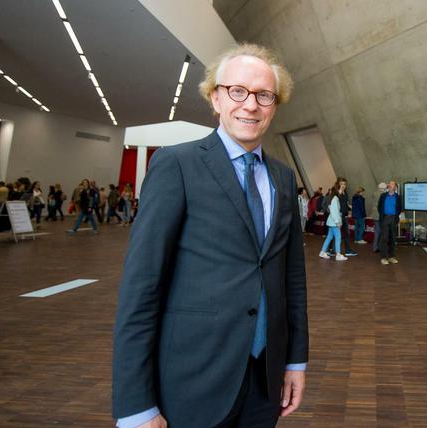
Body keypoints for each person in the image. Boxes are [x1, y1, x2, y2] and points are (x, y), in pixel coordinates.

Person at [113, 43, 308, 428]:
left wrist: (295, 361)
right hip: (191, 380)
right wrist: (136, 404)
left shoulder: (283, 178)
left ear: (274, 105)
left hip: (263, 382)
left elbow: (292, 280)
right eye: (237, 91)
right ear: (215, 98)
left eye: (264, 95)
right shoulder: (176, 164)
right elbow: (142, 287)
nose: (250, 105)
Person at [318, 181, 347, 261]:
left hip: (331, 221)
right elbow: (334, 211)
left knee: (329, 237)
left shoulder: (333, 198)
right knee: (338, 237)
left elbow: (332, 210)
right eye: (340, 189)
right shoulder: (335, 198)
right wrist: (338, 222)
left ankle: (322, 252)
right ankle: (338, 254)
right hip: (334, 222)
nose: (342, 190)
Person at [377, 180, 402, 265]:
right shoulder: (383, 196)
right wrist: (383, 216)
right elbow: (379, 207)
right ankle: (384, 257)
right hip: (385, 218)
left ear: (395, 187)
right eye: (389, 184)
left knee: (392, 238)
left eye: (392, 184)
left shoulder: (398, 197)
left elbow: (400, 208)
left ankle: (391, 257)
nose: (389, 185)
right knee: (384, 238)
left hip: (394, 218)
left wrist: (395, 216)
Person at [334, 177, 357, 257]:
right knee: (335, 235)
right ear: (338, 185)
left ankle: (347, 250)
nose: (343, 185)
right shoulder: (337, 193)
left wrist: (350, 208)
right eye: (341, 184)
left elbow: (346, 204)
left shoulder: (345, 193)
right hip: (338, 217)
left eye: (344, 184)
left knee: (347, 233)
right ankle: (332, 250)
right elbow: (335, 204)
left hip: (344, 216)